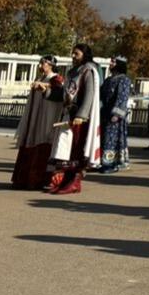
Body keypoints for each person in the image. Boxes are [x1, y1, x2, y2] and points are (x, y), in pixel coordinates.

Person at [47, 44, 102, 195]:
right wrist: (47, 91)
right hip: (68, 114)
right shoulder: (72, 72)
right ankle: (65, 181)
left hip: (79, 118)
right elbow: (65, 94)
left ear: (84, 55)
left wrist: (81, 115)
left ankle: (74, 183)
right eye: (72, 54)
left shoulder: (89, 70)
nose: (73, 56)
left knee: (77, 150)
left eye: (76, 54)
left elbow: (90, 95)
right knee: (67, 150)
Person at [12, 55, 64, 190]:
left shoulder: (56, 78)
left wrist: (45, 86)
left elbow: (59, 93)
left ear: (50, 65)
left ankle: (39, 180)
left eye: (43, 63)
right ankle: (24, 179)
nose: (40, 66)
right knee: (31, 141)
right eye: (40, 63)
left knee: (43, 142)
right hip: (35, 116)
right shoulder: (39, 78)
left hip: (47, 117)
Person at [99, 56, 132, 173]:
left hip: (115, 115)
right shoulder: (108, 80)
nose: (110, 63)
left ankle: (111, 164)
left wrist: (116, 114)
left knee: (111, 140)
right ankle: (102, 162)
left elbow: (122, 97)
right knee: (103, 138)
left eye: (113, 61)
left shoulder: (124, 80)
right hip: (105, 113)